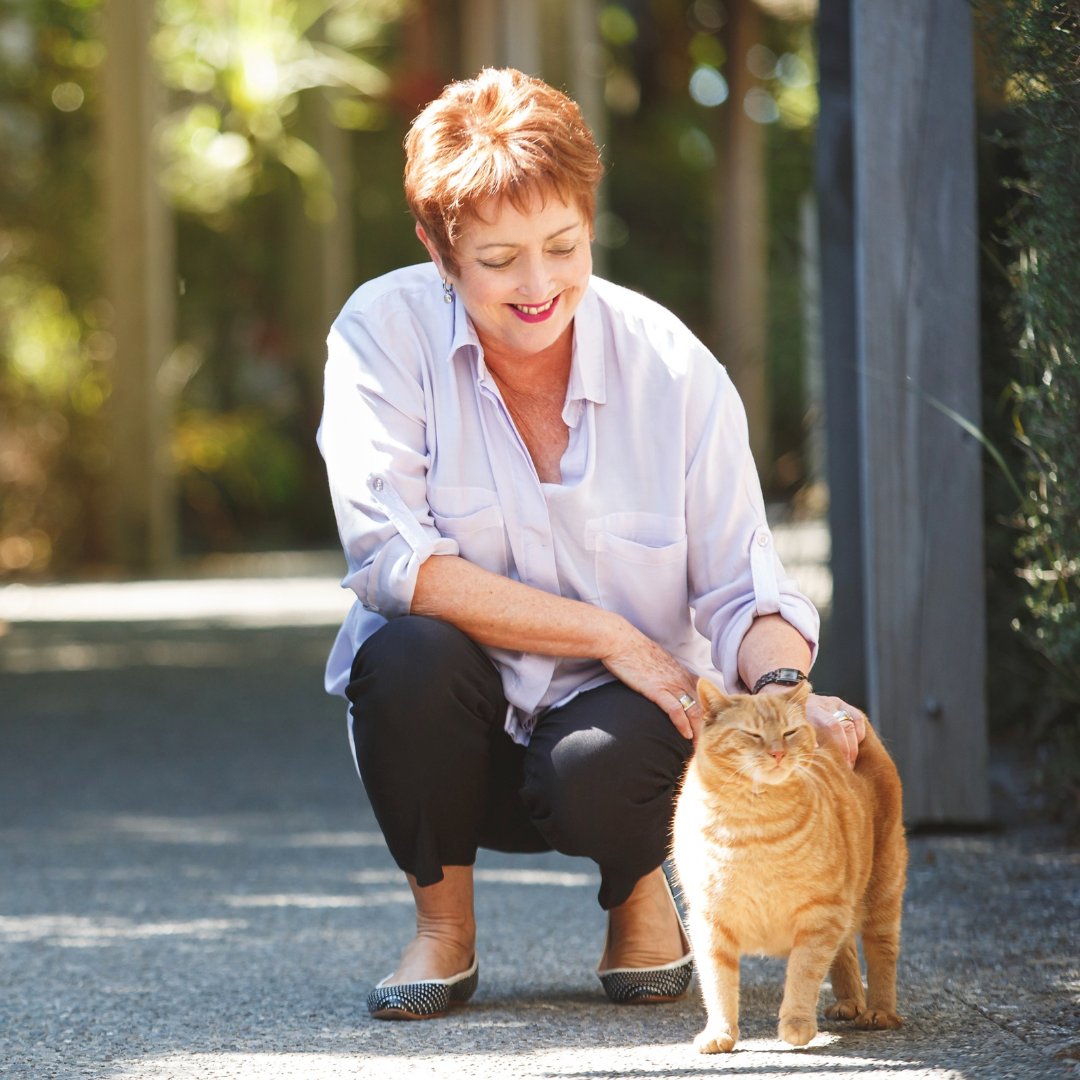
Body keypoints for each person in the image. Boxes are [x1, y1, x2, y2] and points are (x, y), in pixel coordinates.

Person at [317, 67, 866, 1022]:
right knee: (401, 648)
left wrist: (787, 696)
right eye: (497, 260)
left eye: (562, 246)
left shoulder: (673, 368)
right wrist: (607, 632)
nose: (538, 287)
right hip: (455, 734)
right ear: (438, 249)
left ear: (587, 219)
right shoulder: (380, 333)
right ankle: (444, 928)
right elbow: (392, 558)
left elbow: (745, 587)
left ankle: (638, 897)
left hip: (614, 744)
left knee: (611, 759)